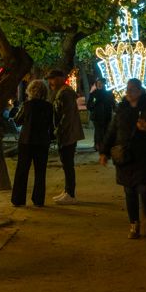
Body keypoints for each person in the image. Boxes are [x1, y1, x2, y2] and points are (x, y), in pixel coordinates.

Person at [99, 78, 146, 239]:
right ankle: (134, 224)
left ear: (140, 91)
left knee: (144, 188)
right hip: (125, 156)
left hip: (145, 155)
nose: (129, 92)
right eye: (127, 89)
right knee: (129, 191)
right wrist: (104, 151)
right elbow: (112, 130)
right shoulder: (121, 108)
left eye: (133, 89)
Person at [11, 79, 55, 207]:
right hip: (42, 141)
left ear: (30, 91)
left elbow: (18, 121)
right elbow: (51, 125)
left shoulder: (27, 105)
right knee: (40, 172)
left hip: (26, 141)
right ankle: (38, 199)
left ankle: (18, 199)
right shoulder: (48, 107)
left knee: (22, 171)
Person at [47, 69, 83, 204]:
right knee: (66, 163)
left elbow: (66, 116)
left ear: (61, 78)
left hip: (68, 133)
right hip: (67, 132)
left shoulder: (65, 93)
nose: (50, 82)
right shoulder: (62, 92)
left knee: (68, 164)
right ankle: (68, 191)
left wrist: (58, 130)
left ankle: (70, 194)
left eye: (53, 78)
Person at [88, 77, 116, 153]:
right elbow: (89, 106)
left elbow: (113, 104)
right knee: (98, 131)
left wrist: (115, 110)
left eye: (101, 83)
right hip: (96, 117)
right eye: (98, 83)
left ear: (104, 84)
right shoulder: (93, 94)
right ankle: (98, 145)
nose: (100, 85)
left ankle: (105, 145)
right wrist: (94, 103)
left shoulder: (108, 94)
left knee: (106, 131)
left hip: (107, 116)